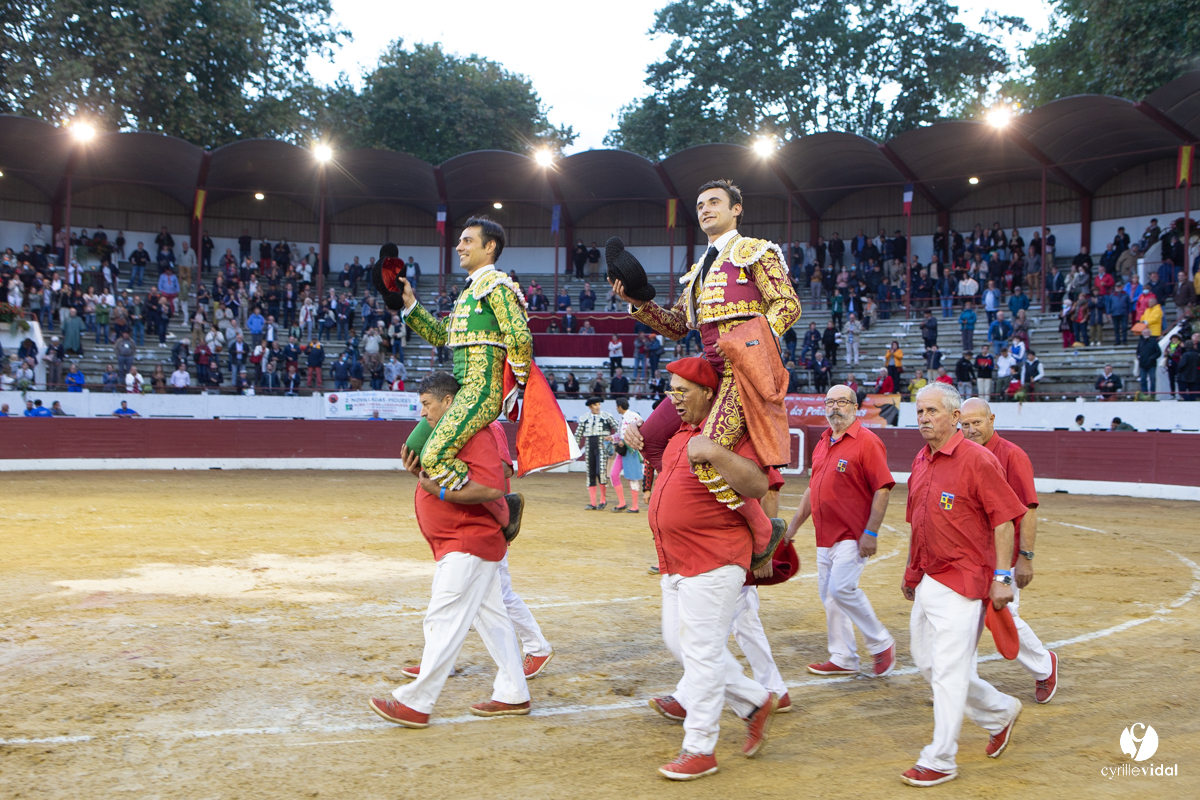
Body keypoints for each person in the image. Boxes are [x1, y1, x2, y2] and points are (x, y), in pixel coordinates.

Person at [368, 373, 532, 729]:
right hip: (463, 540)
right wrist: (421, 477)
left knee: (443, 618)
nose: (423, 413)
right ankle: (514, 692)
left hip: (468, 540)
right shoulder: (450, 434)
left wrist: (439, 493)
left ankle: (416, 702)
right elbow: (444, 479)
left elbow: (492, 486)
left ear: (449, 402)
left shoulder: (476, 430)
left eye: (428, 404)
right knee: (493, 620)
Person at [645, 357, 779, 781]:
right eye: (671, 391)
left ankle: (700, 746)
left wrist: (715, 450)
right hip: (677, 561)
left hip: (715, 558)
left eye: (683, 392)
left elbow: (759, 484)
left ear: (708, 394)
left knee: (700, 654)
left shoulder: (729, 433)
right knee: (681, 644)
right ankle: (755, 701)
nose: (675, 399)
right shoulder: (679, 435)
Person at [899, 383, 1026, 787]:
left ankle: (940, 758)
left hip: (967, 578)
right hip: (930, 577)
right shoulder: (921, 459)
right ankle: (999, 711)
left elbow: (1004, 519)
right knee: (927, 662)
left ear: (955, 417)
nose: (923, 419)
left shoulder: (979, 459)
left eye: (931, 411)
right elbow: (917, 522)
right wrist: (910, 570)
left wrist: (1003, 576)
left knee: (949, 673)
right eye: (919, 412)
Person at [379, 222, 534, 495]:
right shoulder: (468, 293)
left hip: (482, 392)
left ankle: (492, 504)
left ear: (489, 247)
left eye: (467, 241)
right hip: (461, 390)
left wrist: (519, 381)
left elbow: (519, 336)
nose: (459, 246)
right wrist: (410, 303)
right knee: (414, 450)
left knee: (435, 457)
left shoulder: (496, 287)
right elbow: (441, 334)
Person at [787, 384, 896, 678]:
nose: (835, 407)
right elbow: (813, 490)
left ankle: (881, 642)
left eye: (842, 402)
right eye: (830, 402)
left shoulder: (867, 441)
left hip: (853, 533)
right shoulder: (823, 441)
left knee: (841, 588)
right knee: (830, 596)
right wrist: (793, 527)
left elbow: (882, 488)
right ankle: (844, 656)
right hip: (825, 536)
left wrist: (871, 533)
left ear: (854, 406)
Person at [959, 398, 1059, 704]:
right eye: (965, 424)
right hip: (970, 553)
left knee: (1004, 614)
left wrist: (1025, 557)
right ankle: (958, 683)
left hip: (1004, 554)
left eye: (977, 423)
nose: (972, 429)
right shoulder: (960, 453)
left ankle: (1044, 666)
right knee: (962, 618)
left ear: (991, 419)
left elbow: (1028, 510)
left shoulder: (1012, 456)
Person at [575, 397, 618, 510]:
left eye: (599, 404)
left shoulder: (606, 416)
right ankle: (593, 503)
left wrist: (614, 439)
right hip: (589, 446)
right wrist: (574, 449)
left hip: (602, 446)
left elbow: (618, 428)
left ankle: (603, 500)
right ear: (590, 407)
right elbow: (578, 435)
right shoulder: (584, 418)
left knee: (600, 472)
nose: (598, 406)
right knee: (591, 473)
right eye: (595, 405)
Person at [610, 397, 644, 513]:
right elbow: (621, 436)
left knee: (632, 478)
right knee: (614, 475)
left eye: (616, 406)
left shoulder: (633, 416)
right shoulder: (622, 418)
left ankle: (635, 506)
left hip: (631, 450)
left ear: (620, 407)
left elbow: (642, 430)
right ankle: (622, 503)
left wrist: (630, 442)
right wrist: (613, 438)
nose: (616, 408)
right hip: (623, 450)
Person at [1136, 328, 1160, 395]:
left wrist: (1152, 358)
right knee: (1143, 380)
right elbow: (1138, 352)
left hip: (1151, 364)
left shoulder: (1154, 341)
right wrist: (1139, 357)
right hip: (1142, 364)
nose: (1146, 334)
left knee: (1152, 379)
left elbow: (1158, 352)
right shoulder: (1140, 341)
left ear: (1150, 334)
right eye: (1145, 333)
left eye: (1147, 333)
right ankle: (1144, 394)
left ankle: (1152, 394)